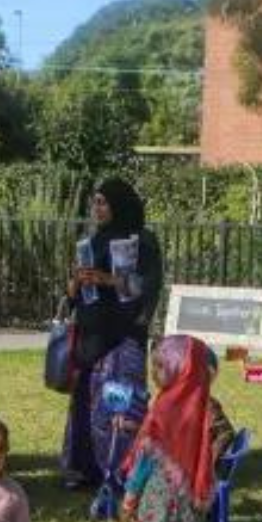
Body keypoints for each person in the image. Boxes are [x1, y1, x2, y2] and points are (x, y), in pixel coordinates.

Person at [117, 336, 237, 522]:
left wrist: (130, 498)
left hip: (155, 499)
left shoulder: (166, 406)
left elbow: (145, 458)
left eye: (161, 366)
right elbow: (221, 436)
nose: (155, 373)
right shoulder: (204, 402)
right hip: (188, 501)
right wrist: (205, 465)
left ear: (179, 369)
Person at [60, 179, 162, 491]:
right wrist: (76, 284)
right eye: (95, 202)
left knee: (120, 405)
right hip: (91, 336)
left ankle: (122, 471)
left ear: (120, 205)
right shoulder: (92, 241)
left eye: (103, 202)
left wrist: (108, 280)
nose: (97, 208)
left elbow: (147, 286)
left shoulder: (142, 242)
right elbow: (74, 296)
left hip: (124, 337)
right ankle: (83, 469)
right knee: (86, 404)